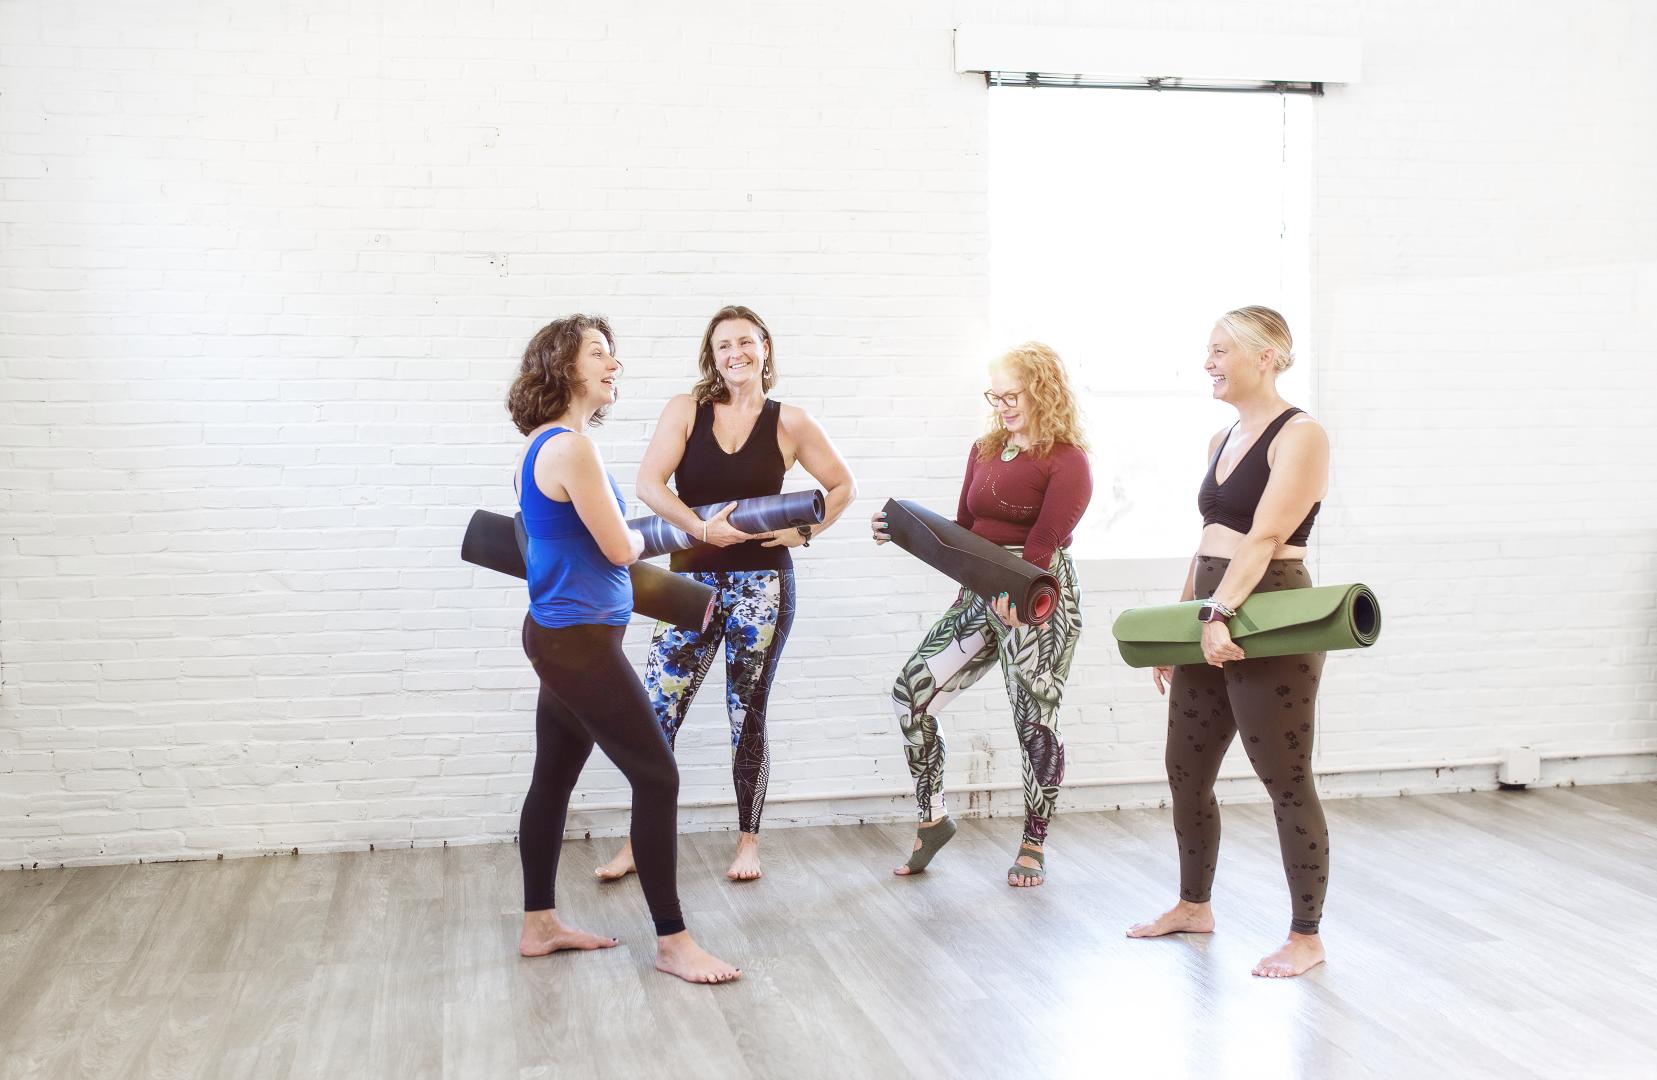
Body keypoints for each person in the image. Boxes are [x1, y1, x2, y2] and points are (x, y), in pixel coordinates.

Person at [508, 313, 739, 983]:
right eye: (600, 354)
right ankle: (672, 942)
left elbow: (585, 542)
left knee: (553, 776)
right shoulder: (571, 449)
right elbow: (616, 546)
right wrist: (683, 533)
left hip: (566, 638)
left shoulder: (547, 444)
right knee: (657, 776)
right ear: (564, 367)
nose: (614, 365)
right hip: (576, 645)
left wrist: (682, 532)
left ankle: (539, 925)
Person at [593, 305, 856, 883]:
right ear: (711, 357)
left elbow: (842, 486)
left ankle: (748, 842)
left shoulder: (791, 423)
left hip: (764, 586)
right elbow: (648, 484)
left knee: (747, 713)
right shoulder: (686, 410)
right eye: (722, 347)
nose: (734, 354)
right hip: (688, 582)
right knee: (657, 710)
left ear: (765, 346)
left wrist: (802, 532)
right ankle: (639, 842)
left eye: (744, 342)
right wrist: (701, 527)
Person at [1125, 305, 1332, 978]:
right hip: (1213, 608)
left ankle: (1305, 936)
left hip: (1269, 610)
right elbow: (1209, 539)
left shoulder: (1299, 434)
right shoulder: (1221, 438)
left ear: (1265, 355)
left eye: (1219, 351)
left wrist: (1218, 613)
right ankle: (1193, 905)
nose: (1208, 362)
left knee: (1284, 777)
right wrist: (1181, 628)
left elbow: (1266, 537)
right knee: (1184, 769)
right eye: (1207, 351)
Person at [872, 342, 1090, 887]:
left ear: (1042, 389)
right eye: (994, 396)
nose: (1002, 406)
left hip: (1037, 595)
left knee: (1033, 719)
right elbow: (964, 529)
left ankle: (1033, 844)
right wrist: (900, 532)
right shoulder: (985, 449)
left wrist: (1018, 603)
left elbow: (1043, 543)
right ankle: (933, 818)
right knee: (911, 694)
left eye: (1012, 395)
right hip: (979, 593)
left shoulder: (1067, 460)